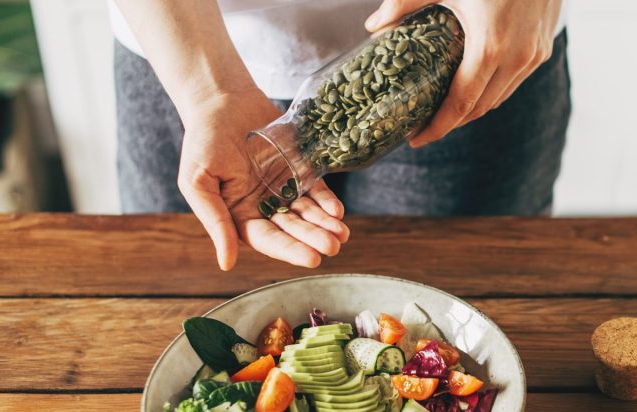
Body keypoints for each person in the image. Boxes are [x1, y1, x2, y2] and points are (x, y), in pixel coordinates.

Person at [112, 0, 570, 271]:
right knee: (191, 305)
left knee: (464, 314)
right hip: (178, 46)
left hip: (469, 41)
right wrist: (209, 91)